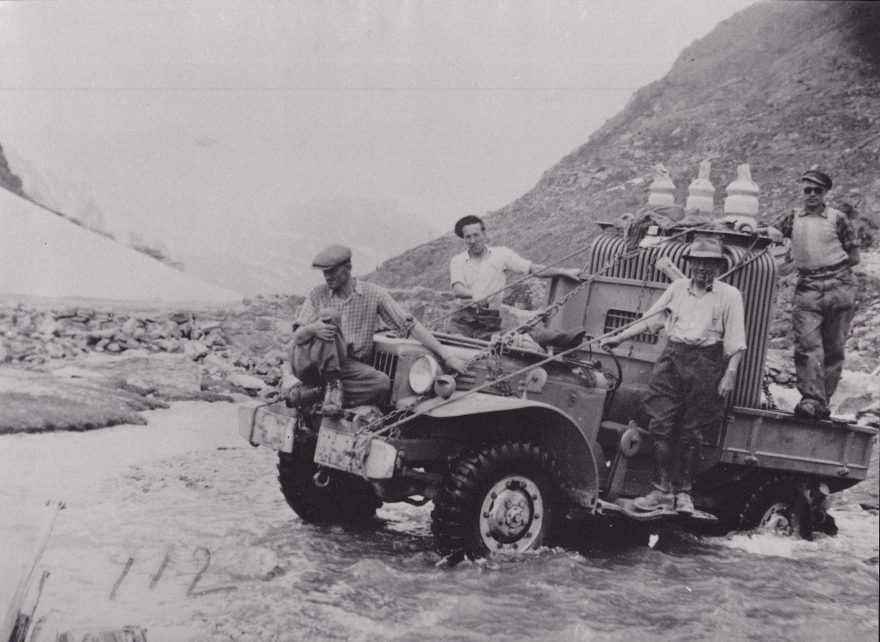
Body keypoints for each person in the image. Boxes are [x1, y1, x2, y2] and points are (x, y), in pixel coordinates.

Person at [599, 236, 746, 514]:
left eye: (709, 263)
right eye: (697, 262)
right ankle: (661, 491)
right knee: (660, 424)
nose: (702, 268)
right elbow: (651, 319)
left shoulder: (730, 295)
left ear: (718, 266)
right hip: (672, 358)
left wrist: (730, 373)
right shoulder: (677, 288)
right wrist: (619, 338)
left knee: (693, 431)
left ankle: (684, 494)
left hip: (707, 364)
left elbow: (737, 340)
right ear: (690, 264)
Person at [281, 244, 468, 414]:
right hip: (311, 363)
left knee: (381, 384)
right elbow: (298, 337)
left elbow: (409, 325)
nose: (328, 277)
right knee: (330, 315)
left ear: (348, 267)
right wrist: (314, 329)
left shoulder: (373, 294)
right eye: (325, 273)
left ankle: (314, 393)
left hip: (345, 365)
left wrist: (446, 356)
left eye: (332, 271)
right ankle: (331, 388)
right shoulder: (318, 294)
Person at [766, 170, 860, 419]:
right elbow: (769, 230)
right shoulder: (792, 217)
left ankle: (822, 402)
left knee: (834, 348)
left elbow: (854, 257)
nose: (812, 195)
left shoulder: (838, 219)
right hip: (808, 286)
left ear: (825, 192)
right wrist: (769, 230)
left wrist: (832, 270)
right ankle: (811, 400)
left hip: (839, 285)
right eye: (807, 190)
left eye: (817, 190)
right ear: (802, 191)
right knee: (808, 345)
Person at [448, 215, 586, 349]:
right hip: (462, 321)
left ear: (484, 234)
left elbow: (533, 269)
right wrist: (474, 295)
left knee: (523, 334)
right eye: (468, 237)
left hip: (488, 323)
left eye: (476, 235)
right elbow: (457, 288)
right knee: (457, 349)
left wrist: (562, 272)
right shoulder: (457, 261)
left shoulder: (501, 254)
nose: (473, 240)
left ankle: (566, 339)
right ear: (463, 238)